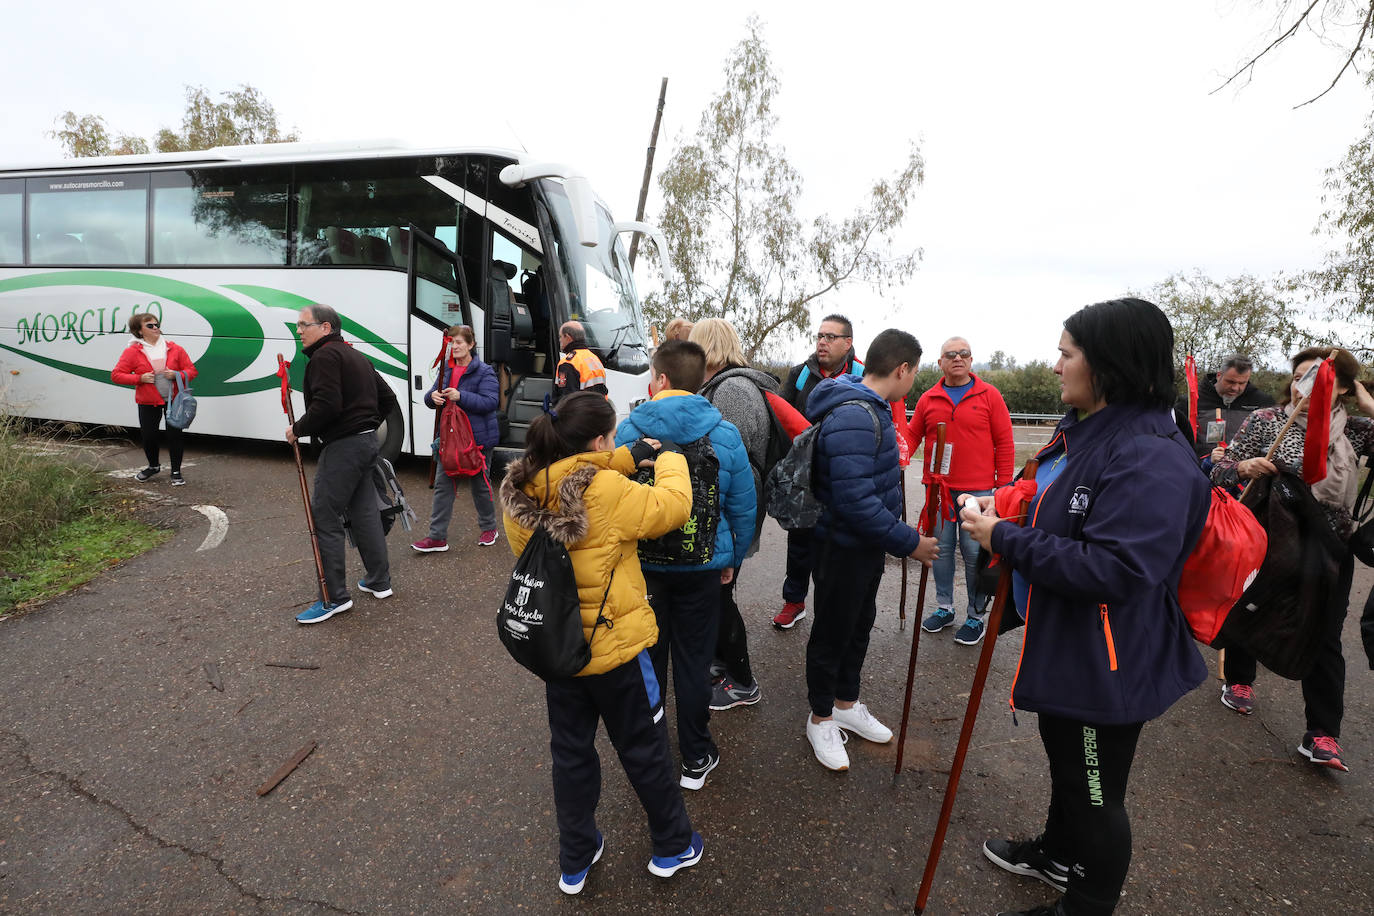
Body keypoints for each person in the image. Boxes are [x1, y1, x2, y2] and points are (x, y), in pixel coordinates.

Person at [959, 298, 1211, 916]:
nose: (1055, 367)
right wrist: (1008, 508)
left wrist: (1003, 539)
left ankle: (1088, 904)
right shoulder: (1093, 430)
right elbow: (1066, 511)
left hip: (1109, 660)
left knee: (1097, 791)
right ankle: (1058, 852)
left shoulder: (1148, 453)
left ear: (1107, 364)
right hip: (1077, 645)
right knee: (1072, 766)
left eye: (1067, 353)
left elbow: (1118, 568)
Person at [499, 390, 704, 894]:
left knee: (570, 755)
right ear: (596, 440)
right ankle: (673, 844)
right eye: (611, 438)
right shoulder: (609, 492)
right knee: (644, 750)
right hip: (617, 655)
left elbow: (578, 471)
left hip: (559, 651)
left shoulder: (523, 490)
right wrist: (672, 458)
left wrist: (627, 455)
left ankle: (576, 855)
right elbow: (673, 507)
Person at [1209, 346, 1374, 772]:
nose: (1307, 385)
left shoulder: (1357, 429)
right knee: (1251, 609)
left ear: (1342, 386)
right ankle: (1240, 682)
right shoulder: (1268, 421)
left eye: (1319, 378)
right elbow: (1218, 470)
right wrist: (1244, 467)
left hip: (1331, 546)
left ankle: (1323, 734)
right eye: (1301, 376)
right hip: (1268, 540)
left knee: (1326, 634)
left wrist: (1369, 402)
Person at [614, 340, 755, 791]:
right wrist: (731, 556)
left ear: (661, 380)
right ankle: (696, 755)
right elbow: (741, 505)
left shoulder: (627, 432)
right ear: (701, 383)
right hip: (703, 567)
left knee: (648, 663)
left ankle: (652, 754)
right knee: (695, 663)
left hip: (643, 568)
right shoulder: (725, 433)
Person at [804, 329, 939, 772]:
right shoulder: (855, 416)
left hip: (862, 549)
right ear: (902, 369)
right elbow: (855, 502)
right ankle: (821, 717)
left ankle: (846, 703)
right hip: (841, 548)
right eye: (914, 373)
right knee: (832, 633)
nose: (913, 383)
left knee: (858, 625)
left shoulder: (872, 409)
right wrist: (910, 543)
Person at [285, 304, 399, 624]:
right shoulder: (357, 356)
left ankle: (334, 597)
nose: (299, 331)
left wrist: (298, 429)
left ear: (325, 328)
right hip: (367, 443)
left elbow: (328, 405)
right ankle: (379, 580)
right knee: (364, 514)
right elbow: (388, 399)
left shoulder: (324, 357)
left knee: (324, 515)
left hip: (344, 447)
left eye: (303, 325)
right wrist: (365, 422)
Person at [692, 317, 779, 710]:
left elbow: (731, 461)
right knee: (716, 591)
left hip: (730, 510)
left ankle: (743, 680)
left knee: (720, 594)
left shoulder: (735, 390)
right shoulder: (726, 386)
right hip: (726, 510)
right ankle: (721, 663)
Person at [912, 336, 1015, 646]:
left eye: (964, 354)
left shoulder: (989, 395)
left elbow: (1005, 443)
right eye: (950, 354)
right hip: (939, 493)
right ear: (940, 362)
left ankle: (975, 614)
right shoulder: (928, 398)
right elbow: (912, 435)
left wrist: (1003, 492)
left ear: (971, 361)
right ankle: (945, 607)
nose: (958, 358)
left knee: (974, 553)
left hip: (979, 491)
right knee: (939, 552)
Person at [774, 313, 864, 630]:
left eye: (830, 337)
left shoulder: (864, 375)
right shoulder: (800, 374)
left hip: (847, 475)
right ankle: (794, 602)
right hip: (805, 475)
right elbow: (780, 414)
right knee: (800, 542)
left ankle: (833, 610)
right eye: (819, 336)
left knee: (839, 547)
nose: (822, 342)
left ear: (848, 343)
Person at [411, 325, 502, 552]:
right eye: (452, 343)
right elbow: (430, 397)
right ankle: (437, 537)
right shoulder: (446, 370)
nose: (455, 347)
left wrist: (461, 396)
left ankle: (490, 528)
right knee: (443, 486)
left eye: (460, 342)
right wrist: (431, 397)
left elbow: (491, 402)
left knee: (480, 485)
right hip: (449, 439)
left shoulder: (484, 371)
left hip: (476, 439)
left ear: (471, 344)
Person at [111, 313, 198, 486]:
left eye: (156, 324)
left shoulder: (174, 348)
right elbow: (116, 375)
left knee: (175, 435)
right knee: (149, 436)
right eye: (150, 326)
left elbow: (192, 371)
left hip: (174, 401)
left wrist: (177, 374)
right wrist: (139, 379)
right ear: (139, 331)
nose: (155, 327)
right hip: (147, 401)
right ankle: (153, 466)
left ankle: (176, 472)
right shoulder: (132, 352)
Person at [1174, 354, 1275, 458]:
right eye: (1230, 382)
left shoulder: (1262, 403)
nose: (1235, 388)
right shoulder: (1191, 401)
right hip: (1199, 469)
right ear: (1219, 375)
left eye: (1242, 383)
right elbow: (1177, 439)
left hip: (1243, 469)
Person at [551, 321, 607, 405]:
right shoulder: (594, 358)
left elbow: (567, 399)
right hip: (597, 413)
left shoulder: (568, 363)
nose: (559, 340)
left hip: (580, 415)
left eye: (560, 336)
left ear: (568, 337)